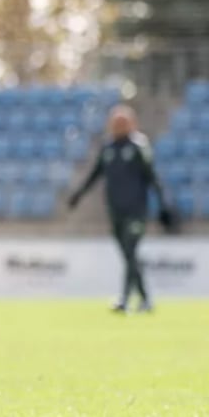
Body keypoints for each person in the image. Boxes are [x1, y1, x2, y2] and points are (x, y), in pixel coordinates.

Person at [67, 104, 178, 313]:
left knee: (131, 250)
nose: (118, 126)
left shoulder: (139, 147)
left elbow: (153, 177)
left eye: (123, 122)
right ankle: (145, 300)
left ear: (131, 124)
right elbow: (94, 174)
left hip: (136, 210)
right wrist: (78, 195)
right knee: (129, 256)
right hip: (115, 210)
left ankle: (125, 300)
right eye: (115, 122)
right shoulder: (107, 148)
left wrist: (164, 204)